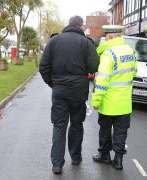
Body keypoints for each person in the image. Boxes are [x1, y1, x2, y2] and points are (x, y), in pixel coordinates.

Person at [39, 15, 99, 174]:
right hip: (78, 91)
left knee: (59, 126)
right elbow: (94, 66)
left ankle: (57, 164)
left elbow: (43, 66)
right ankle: (76, 157)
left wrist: (53, 83)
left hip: (59, 90)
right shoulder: (86, 43)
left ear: (68, 24)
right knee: (77, 124)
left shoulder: (54, 41)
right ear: (81, 26)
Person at [91, 25, 137, 170]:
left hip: (108, 103)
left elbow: (102, 80)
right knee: (121, 132)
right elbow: (134, 72)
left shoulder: (108, 54)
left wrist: (96, 100)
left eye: (105, 37)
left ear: (109, 37)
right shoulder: (131, 51)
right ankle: (118, 160)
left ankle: (104, 155)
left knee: (105, 130)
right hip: (124, 103)